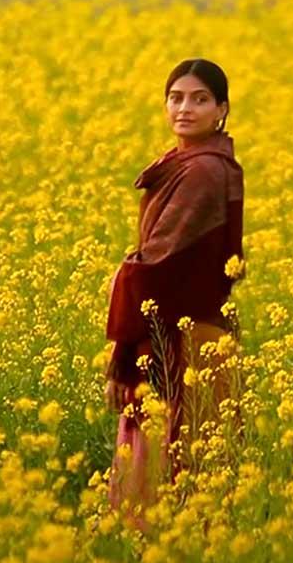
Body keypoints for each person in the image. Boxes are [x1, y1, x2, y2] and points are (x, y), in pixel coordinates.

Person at [103, 58, 246, 533]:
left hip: (178, 343)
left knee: (165, 479)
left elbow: (158, 272)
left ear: (221, 109)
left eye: (200, 99)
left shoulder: (203, 173)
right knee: (192, 474)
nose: (185, 108)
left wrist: (124, 352)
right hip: (192, 334)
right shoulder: (192, 164)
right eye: (177, 98)